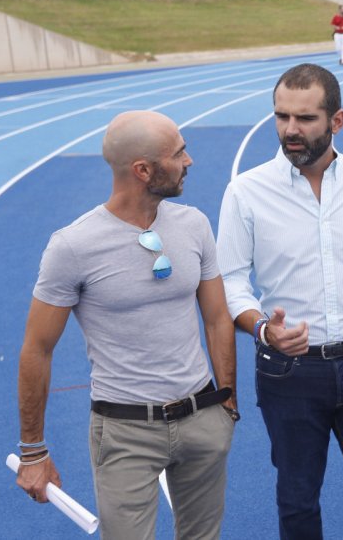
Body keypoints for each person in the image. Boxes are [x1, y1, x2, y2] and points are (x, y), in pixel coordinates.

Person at [217, 62, 343, 539]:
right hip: (288, 372)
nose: (291, 129)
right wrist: (263, 329)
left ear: (337, 121)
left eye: (306, 118)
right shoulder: (245, 193)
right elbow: (230, 281)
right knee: (297, 501)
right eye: (282, 116)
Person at [16, 110, 238, 539]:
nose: (189, 161)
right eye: (179, 153)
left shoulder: (194, 225)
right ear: (143, 170)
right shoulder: (73, 247)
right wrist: (32, 451)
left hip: (201, 419)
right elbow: (36, 349)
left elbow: (216, 317)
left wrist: (226, 404)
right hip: (125, 432)